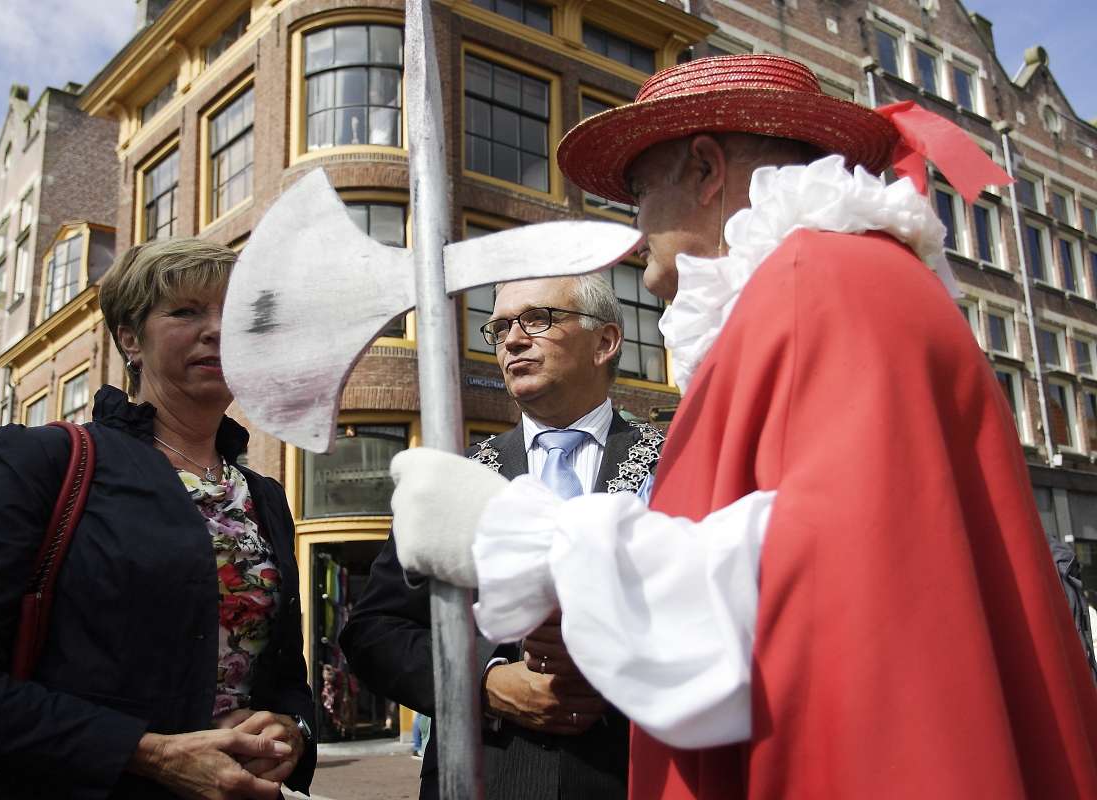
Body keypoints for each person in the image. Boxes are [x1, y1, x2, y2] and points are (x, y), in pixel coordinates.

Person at [385, 54, 1097, 798]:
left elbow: (818, 588)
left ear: (704, 169)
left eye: (640, 193)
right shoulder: (819, 285)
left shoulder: (819, 284)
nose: (636, 230)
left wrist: (514, 535)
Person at [0, 238, 318, 800]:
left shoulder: (264, 496)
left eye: (236, 314)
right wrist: (149, 754)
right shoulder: (44, 462)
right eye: (186, 311)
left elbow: (286, 677)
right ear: (130, 339)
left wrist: (291, 733)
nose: (217, 330)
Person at [340, 274, 665, 799]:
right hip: (483, 777)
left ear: (604, 342)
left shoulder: (677, 463)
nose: (512, 340)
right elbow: (374, 631)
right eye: (499, 328)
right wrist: (483, 682)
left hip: (634, 776)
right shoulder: (453, 478)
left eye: (537, 319)